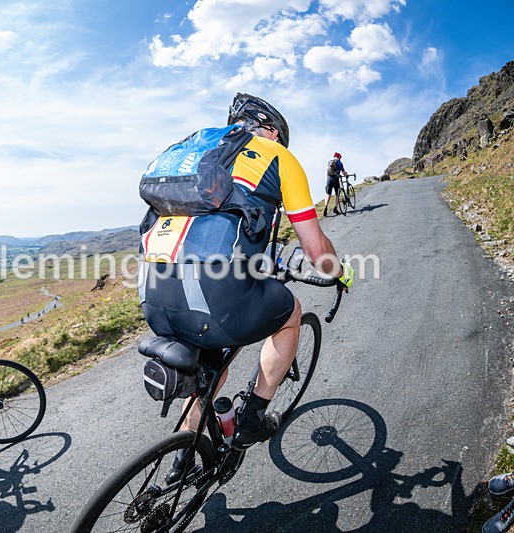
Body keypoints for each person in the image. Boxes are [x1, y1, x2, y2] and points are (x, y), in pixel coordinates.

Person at [138, 93, 353, 481]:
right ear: (270, 130)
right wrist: (337, 273)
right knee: (290, 314)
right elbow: (316, 248)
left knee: (207, 367)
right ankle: (253, 417)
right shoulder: (278, 157)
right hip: (216, 295)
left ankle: (182, 462)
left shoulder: (195, 153)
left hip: (153, 292)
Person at [323, 152, 348, 216]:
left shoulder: (329, 162)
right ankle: (335, 208)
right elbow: (343, 172)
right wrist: (346, 175)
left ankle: (325, 207)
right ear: (339, 157)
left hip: (328, 179)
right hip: (335, 180)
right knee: (337, 194)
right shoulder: (339, 163)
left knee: (328, 194)